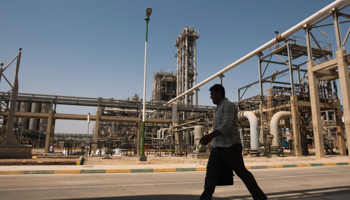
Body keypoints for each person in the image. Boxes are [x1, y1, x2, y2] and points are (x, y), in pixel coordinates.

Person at [199, 84, 267, 200]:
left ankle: (260, 197)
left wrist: (210, 136)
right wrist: (211, 139)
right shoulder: (219, 108)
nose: (211, 97)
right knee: (210, 175)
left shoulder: (228, 105)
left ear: (219, 93)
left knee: (242, 173)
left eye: (212, 94)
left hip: (230, 147)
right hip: (218, 147)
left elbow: (226, 124)